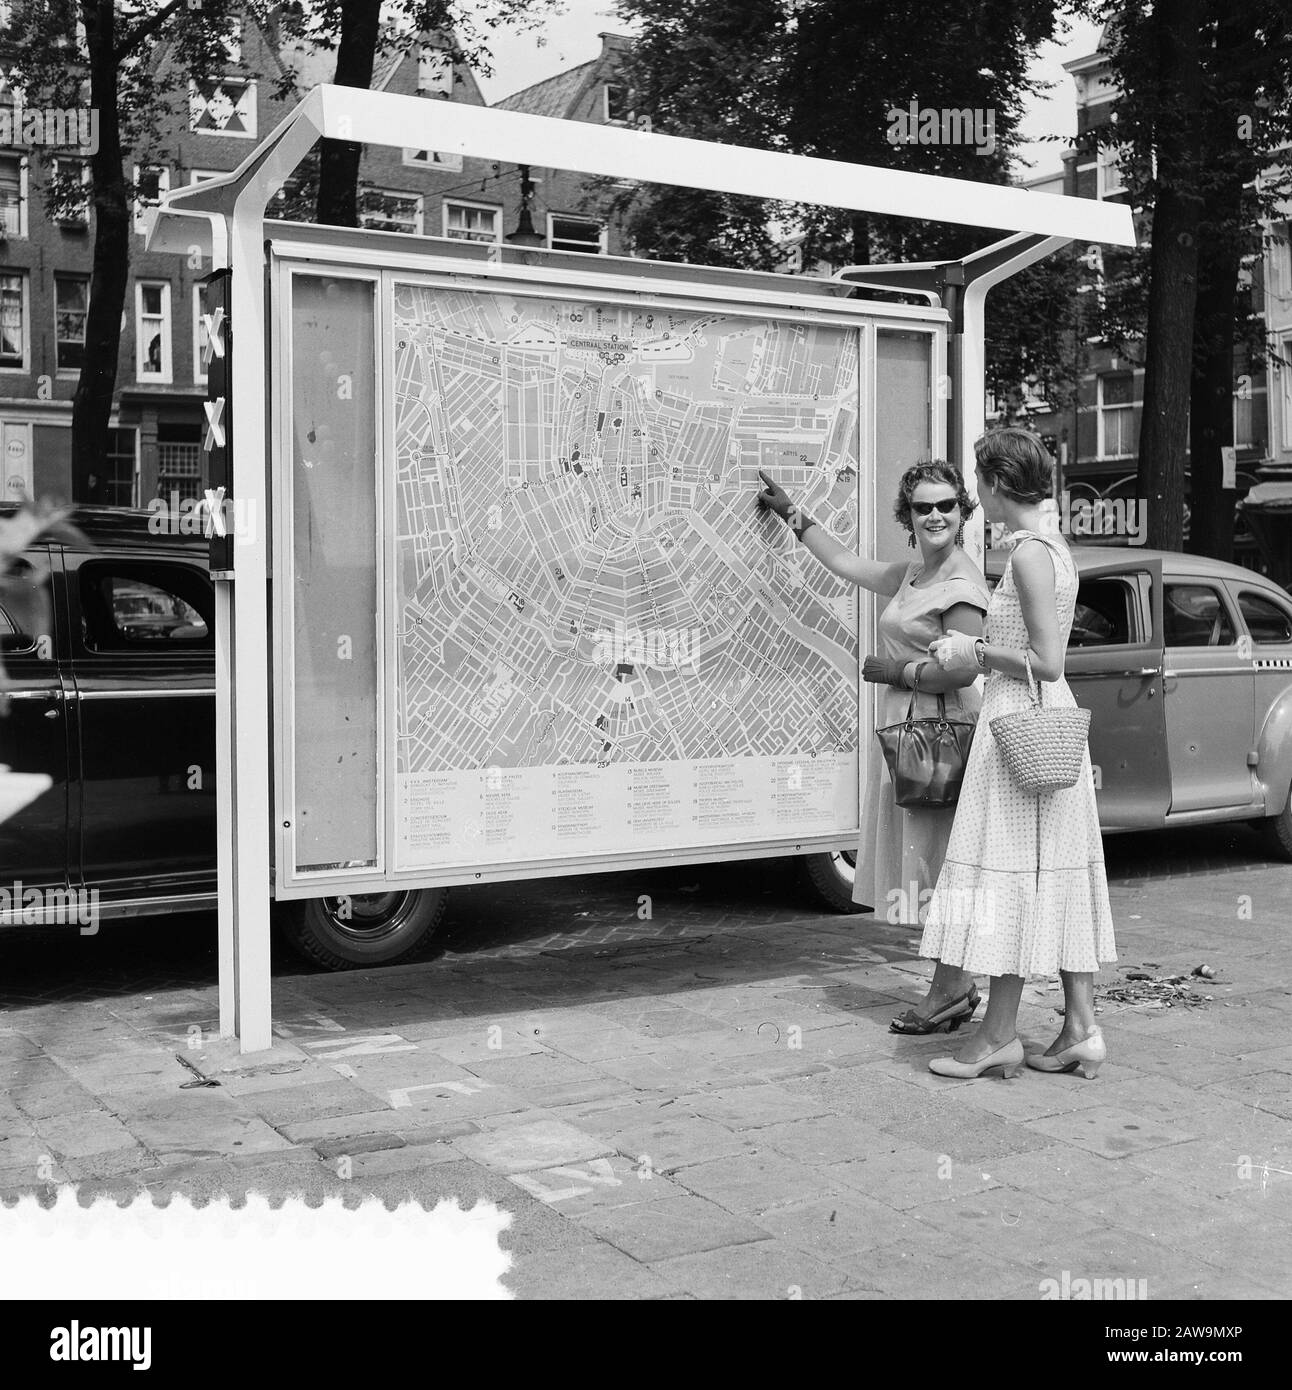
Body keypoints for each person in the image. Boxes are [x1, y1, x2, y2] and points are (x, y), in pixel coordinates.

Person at [757, 461, 990, 1034]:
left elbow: (963, 672)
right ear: (906, 516)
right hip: (912, 735)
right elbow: (846, 563)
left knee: (942, 866)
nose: (934, 515)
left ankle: (948, 990)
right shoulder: (916, 572)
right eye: (922, 507)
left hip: (941, 738)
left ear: (962, 512)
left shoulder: (960, 584)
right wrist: (792, 513)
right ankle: (953, 985)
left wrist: (897, 671)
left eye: (945, 506)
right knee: (929, 863)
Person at [921, 428, 1116, 1080]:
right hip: (1049, 721)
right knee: (1054, 871)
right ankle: (1079, 1028)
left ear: (1000, 482)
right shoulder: (1054, 547)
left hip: (1020, 719)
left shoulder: (1030, 555)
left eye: (980, 479)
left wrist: (971, 652)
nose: (975, 491)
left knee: (1007, 874)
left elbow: (1045, 658)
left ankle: (998, 1035)